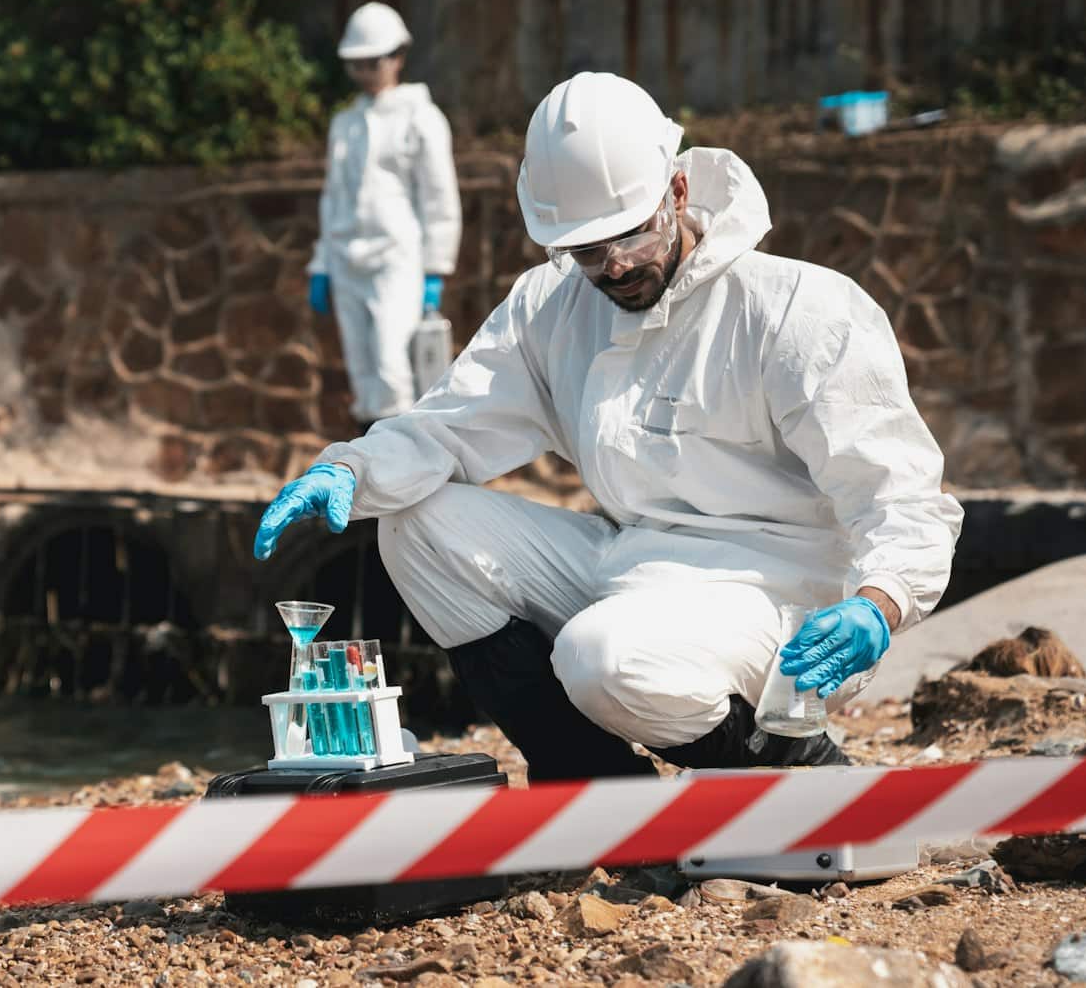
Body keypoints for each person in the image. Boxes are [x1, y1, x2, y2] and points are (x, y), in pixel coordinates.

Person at [256, 72, 962, 781]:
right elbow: (450, 423)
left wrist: (878, 603)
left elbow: (900, 494)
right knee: (413, 526)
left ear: (677, 191)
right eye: (588, 250)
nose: (616, 266)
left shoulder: (795, 310)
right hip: (633, 563)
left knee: (601, 656)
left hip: (780, 595)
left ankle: (794, 758)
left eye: (630, 236)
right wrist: (351, 468)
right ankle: (591, 780)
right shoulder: (553, 307)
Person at [310, 2, 463, 434]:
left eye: (372, 62)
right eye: (355, 64)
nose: (364, 72)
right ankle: (371, 464)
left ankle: (401, 464)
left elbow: (439, 197)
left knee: (393, 369)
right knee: (361, 372)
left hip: (397, 260)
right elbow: (333, 198)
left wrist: (434, 269)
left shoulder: (421, 118)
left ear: (398, 56)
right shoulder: (345, 124)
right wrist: (322, 263)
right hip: (346, 259)